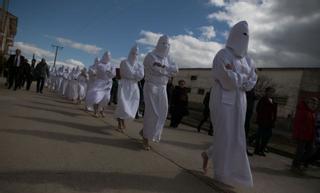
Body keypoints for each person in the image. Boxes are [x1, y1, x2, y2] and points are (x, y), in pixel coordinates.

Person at [201, 21, 257, 187]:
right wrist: (242, 78)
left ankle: (209, 154)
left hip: (240, 100)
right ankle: (222, 175)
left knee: (236, 136)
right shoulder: (223, 54)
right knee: (224, 133)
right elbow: (225, 78)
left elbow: (252, 81)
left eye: (247, 35)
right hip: (222, 98)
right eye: (242, 34)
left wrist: (239, 78)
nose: (244, 38)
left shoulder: (249, 60)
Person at [140, 35, 178, 150]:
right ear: (158, 44)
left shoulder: (169, 57)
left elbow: (175, 70)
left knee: (162, 112)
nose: (166, 46)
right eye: (163, 43)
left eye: (167, 44)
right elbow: (156, 70)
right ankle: (145, 139)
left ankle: (145, 131)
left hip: (162, 87)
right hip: (151, 86)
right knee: (152, 112)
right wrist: (167, 70)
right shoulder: (150, 56)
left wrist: (163, 68)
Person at [114, 45, 144, 132]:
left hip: (134, 87)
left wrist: (133, 74)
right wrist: (135, 74)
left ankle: (122, 123)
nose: (135, 55)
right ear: (130, 53)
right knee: (122, 105)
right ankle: (120, 125)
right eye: (133, 53)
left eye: (137, 54)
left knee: (131, 106)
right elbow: (125, 73)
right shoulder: (124, 62)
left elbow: (141, 76)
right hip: (124, 85)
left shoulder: (139, 65)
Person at [291, 97, 319, 173]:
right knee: (299, 151)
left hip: (310, 136)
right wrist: (298, 134)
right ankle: (295, 166)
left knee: (311, 151)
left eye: (316, 104)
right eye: (312, 103)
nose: (314, 105)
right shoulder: (303, 111)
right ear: (308, 103)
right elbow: (297, 123)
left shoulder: (313, 113)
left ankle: (299, 163)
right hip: (302, 135)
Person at [85, 51, 116, 117]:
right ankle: (95, 112)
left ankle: (102, 110)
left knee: (106, 98)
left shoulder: (111, 65)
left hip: (108, 84)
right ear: (104, 56)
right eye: (106, 55)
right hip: (99, 82)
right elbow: (92, 70)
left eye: (109, 56)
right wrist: (93, 72)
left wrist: (110, 73)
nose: (108, 57)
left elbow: (113, 75)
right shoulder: (99, 64)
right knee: (97, 96)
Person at [254, 87, 277, 156]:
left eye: (272, 92)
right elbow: (259, 109)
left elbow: (274, 111)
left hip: (270, 122)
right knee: (260, 135)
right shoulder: (263, 100)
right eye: (270, 91)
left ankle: (262, 149)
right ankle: (257, 150)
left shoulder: (273, 101)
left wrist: (274, 119)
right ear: (266, 92)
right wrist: (261, 119)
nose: (271, 93)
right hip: (263, 121)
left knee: (267, 136)